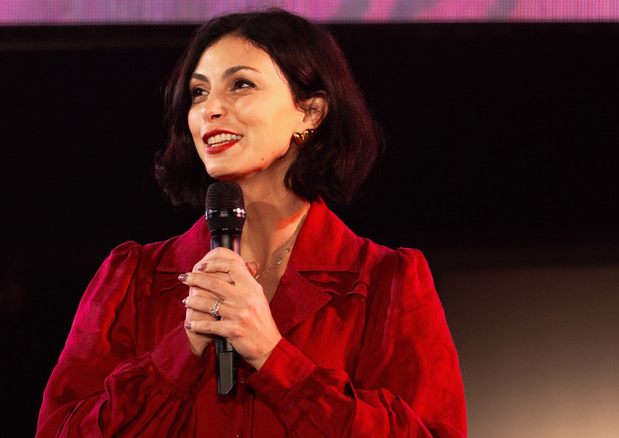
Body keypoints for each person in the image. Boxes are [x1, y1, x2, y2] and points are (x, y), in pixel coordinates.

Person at [36, 8, 466, 437]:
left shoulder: (384, 283)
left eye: (241, 84)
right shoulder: (133, 280)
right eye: (198, 92)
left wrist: (273, 356)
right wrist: (182, 349)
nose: (210, 109)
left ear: (310, 113)